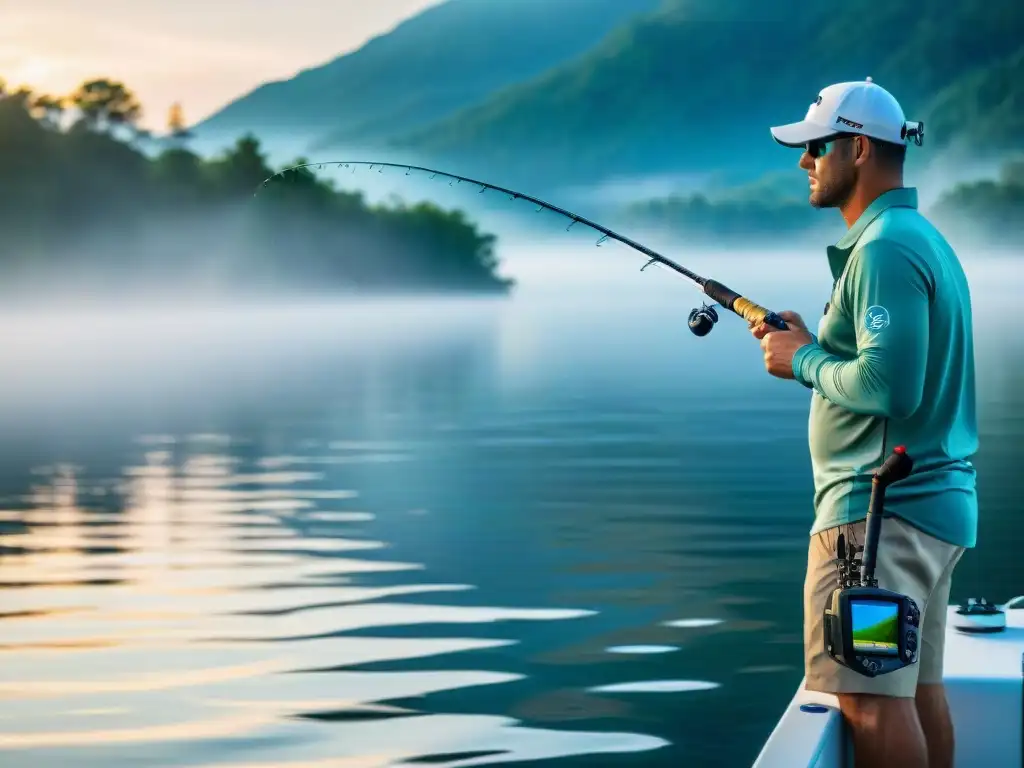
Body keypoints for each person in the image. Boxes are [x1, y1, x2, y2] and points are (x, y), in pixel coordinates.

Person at [752, 78, 979, 768]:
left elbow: (888, 386)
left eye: (815, 147)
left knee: (872, 700)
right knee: (914, 690)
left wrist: (802, 361)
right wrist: (815, 347)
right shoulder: (918, 239)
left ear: (856, 148)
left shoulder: (882, 250)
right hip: (926, 516)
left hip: (876, 526)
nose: (803, 162)